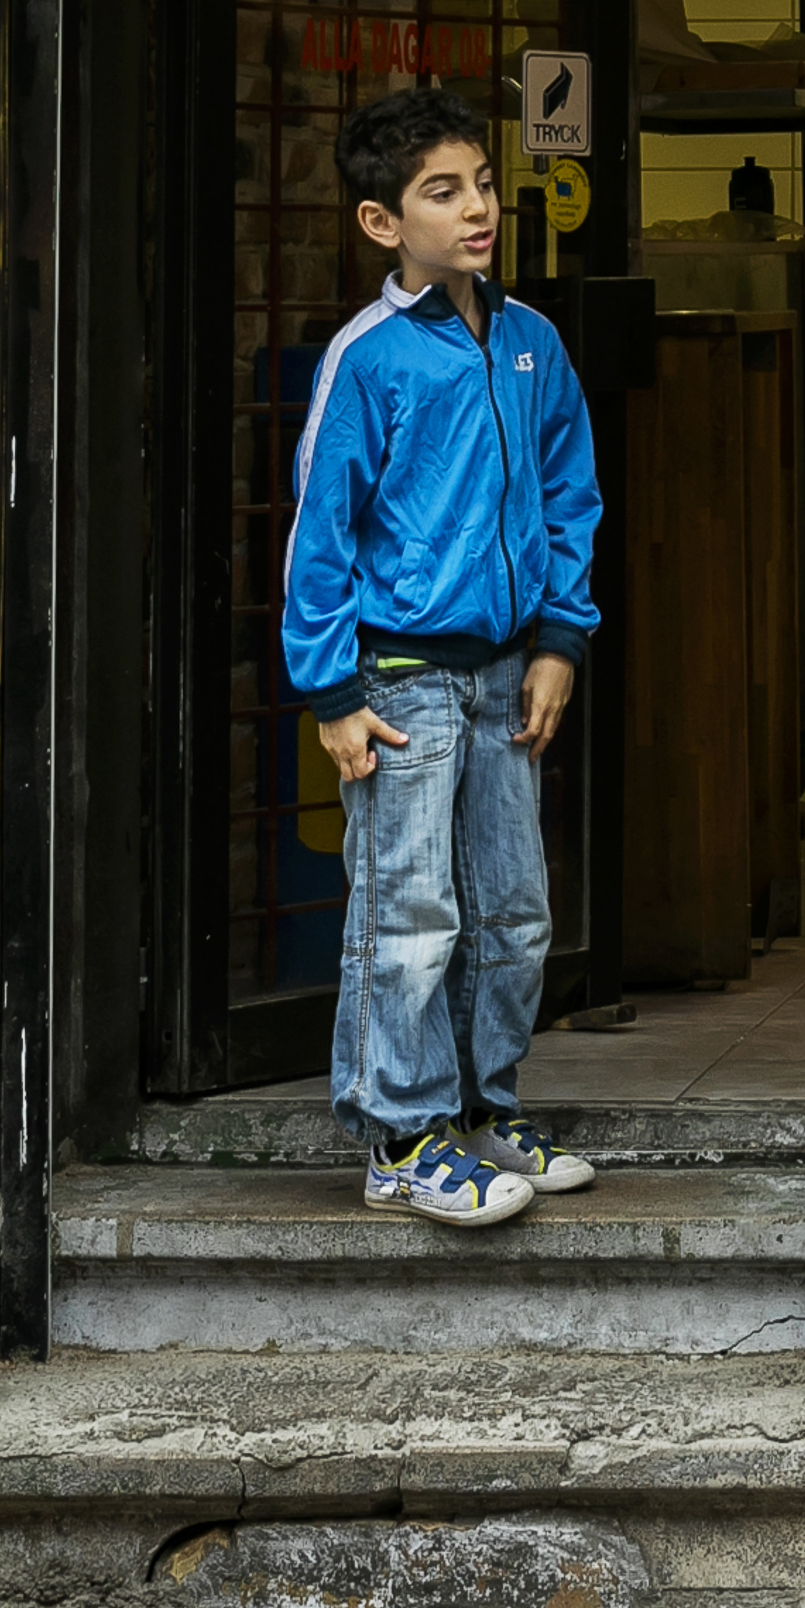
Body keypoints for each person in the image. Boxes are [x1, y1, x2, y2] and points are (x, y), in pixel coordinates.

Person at [284, 86, 603, 1228]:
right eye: (443, 191)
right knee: (410, 912)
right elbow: (319, 532)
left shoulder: (529, 340)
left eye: (482, 182)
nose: (479, 208)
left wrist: (562, 637)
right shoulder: (368, 360)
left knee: (514, 910)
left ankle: (481, 1106)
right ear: (382, 223)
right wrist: (329, 692)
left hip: (508, 671)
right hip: (403, 681)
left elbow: (571, 492)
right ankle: (401, 1137)